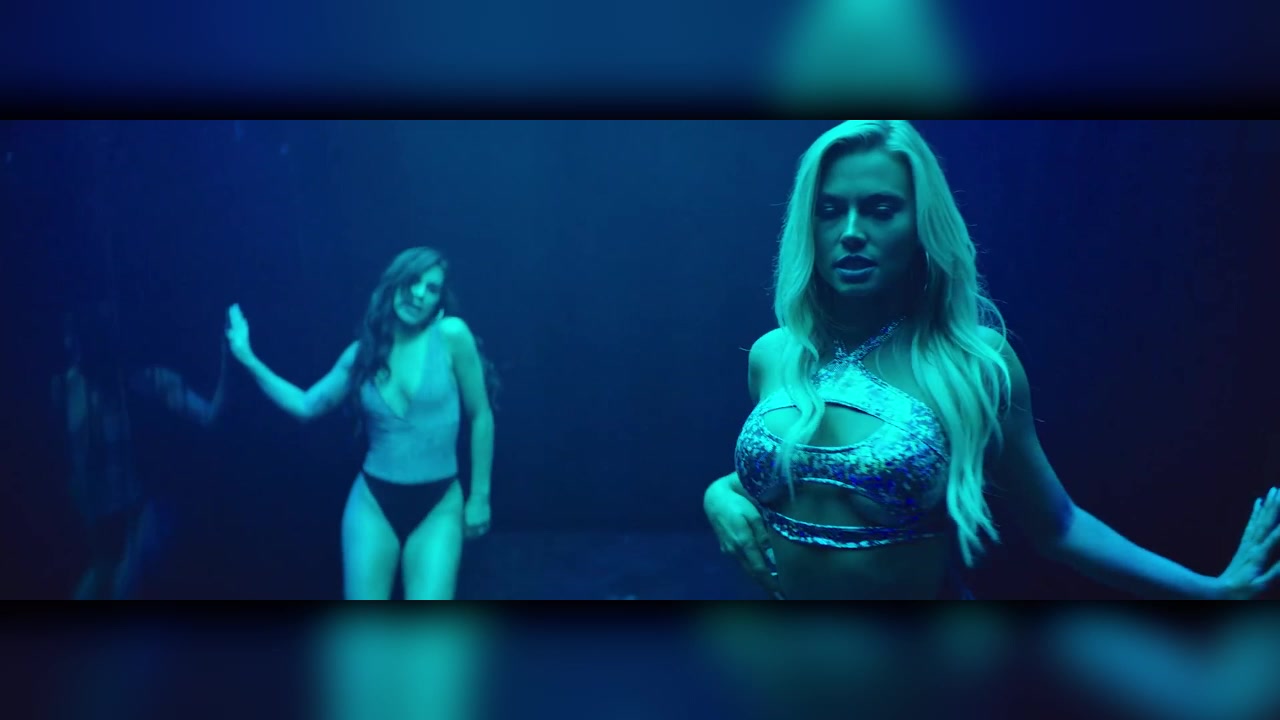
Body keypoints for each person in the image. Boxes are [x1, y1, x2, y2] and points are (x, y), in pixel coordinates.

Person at [702, 120, 1280, 600]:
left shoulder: (971, 364)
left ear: (922, 225)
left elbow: (1059, 525)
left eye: (880, 209)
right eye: (830, 209)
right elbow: (803, 473)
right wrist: (719, 495)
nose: (851, 232)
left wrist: (1208, 591)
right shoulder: (773, 353)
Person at [225, 246, 495, 600]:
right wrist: (247, 357)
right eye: (413, 281)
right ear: (394, 283)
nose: (419, 294)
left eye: (431, 289)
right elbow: (306, 406)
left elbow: (481, 415)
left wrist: (480, 496)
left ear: (438, 300)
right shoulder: (360, 355)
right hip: (374, 503)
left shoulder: (451, 337)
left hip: (439, 503)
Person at [52, 305, 228, 599]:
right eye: (71, 343)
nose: (77, 354)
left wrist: (230, 363)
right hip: (101, 524)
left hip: (144, 510)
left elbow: (210, 417)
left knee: (125, 588)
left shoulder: (147, 382)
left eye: (84, 345)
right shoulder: (66, 388)